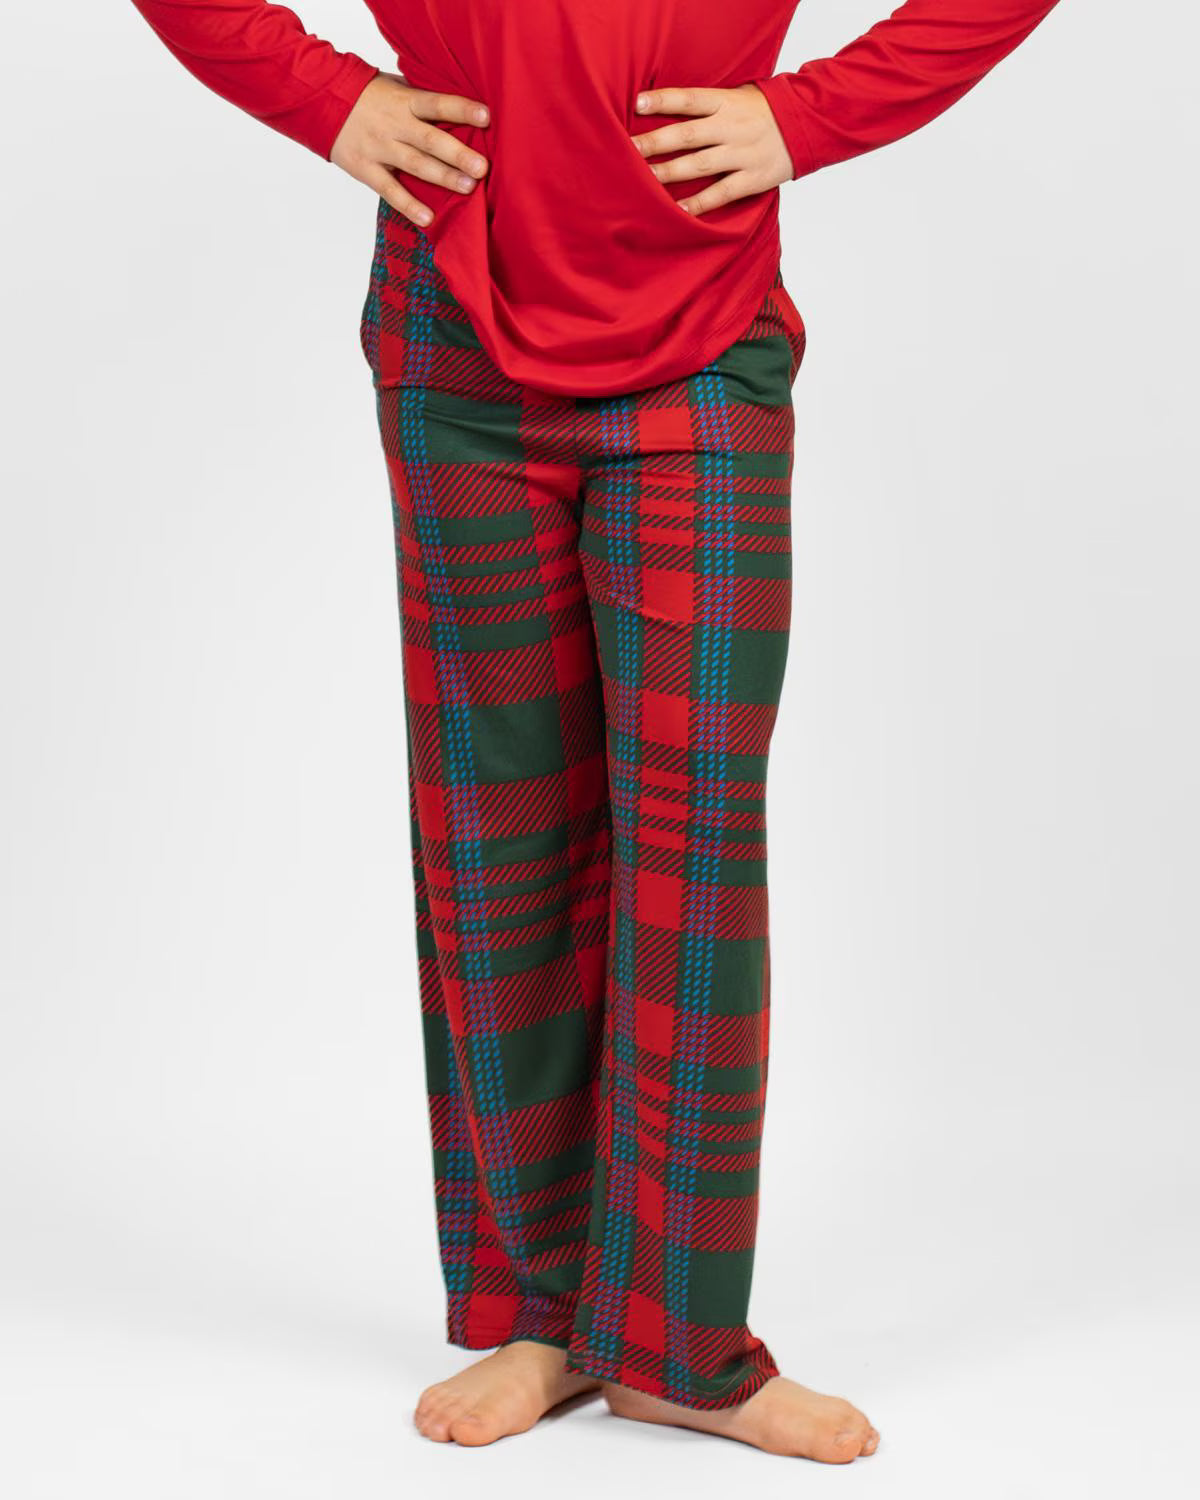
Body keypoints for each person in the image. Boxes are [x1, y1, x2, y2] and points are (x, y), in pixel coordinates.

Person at [128, 0, 1062, 1462]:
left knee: (695, 844)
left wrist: (809, 117)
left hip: (702, 340)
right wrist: (323, 98)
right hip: (454, 332)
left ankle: (682, 1347)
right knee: (499, 834)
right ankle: (549, 1314)